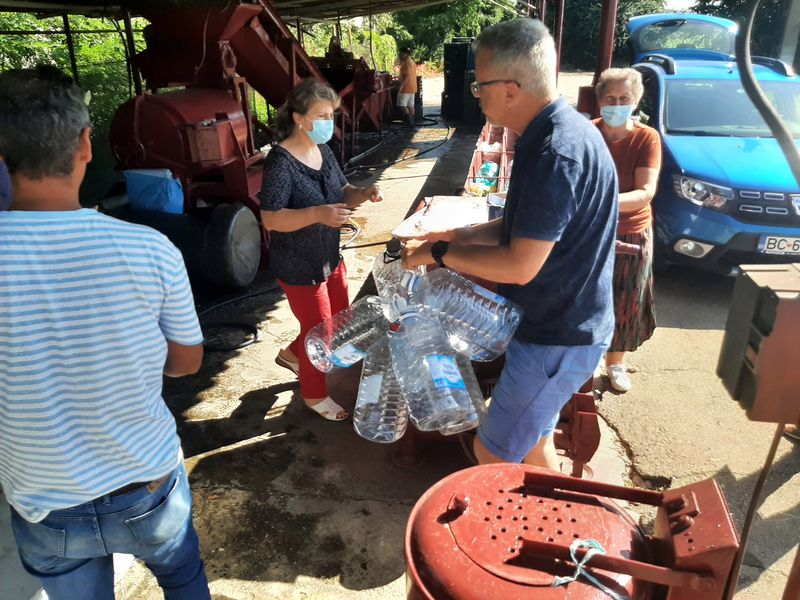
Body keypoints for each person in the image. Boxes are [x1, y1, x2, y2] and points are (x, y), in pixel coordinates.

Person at [0, 66, 210, 599]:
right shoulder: (150, 249)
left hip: (44, 503)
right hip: (146, 485)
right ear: (86, 145)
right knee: (184, 580)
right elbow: (186, 363)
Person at [403, 19, 618, 471]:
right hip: (560, 327)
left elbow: (520, 265)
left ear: (510, 89)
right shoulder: (555, 132)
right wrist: (458, 236)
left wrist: (438, 255)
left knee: (493, 453)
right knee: (535, 441)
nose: (475, 94)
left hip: (557, 337)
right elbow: (526, 225)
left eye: (479, 85)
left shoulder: (556, 153)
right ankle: (558, 507)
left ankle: (532, 515)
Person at [260, 78, 383, 421]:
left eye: (332, 115)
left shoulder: (323, 151)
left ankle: (292, 354)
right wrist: (316, 214)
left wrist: (363, 193)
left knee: (339, 319)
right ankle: (314, 395)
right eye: (323, 115)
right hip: (299, 264)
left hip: (329, 254)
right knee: (322, 332)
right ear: (300, 118)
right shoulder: (280, 162)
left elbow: (342, 191)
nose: (330, 122)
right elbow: (270, 218)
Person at [594, 68, 661, 393]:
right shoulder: (589, 133)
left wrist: (597, 201)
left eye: (624, 99)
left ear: (635, 102)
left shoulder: (646, 138)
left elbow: (644, 192)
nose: (617, 104)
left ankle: (615, 362)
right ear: (600, 100)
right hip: (592, 230)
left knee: (625, 297)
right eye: (610, 98)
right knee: (587, 295)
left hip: (631, 231)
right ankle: (585, 355)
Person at [396, 47, 418, 127]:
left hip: (406, 88)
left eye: (401, 53)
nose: (400, 55)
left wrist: (401, 86)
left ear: (405, 53)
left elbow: (407, 75)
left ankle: (409, 122)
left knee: (402, 105)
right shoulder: (412, 61)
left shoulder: (407, 63)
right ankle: (412, 121)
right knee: (410, 105)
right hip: (412, 87)